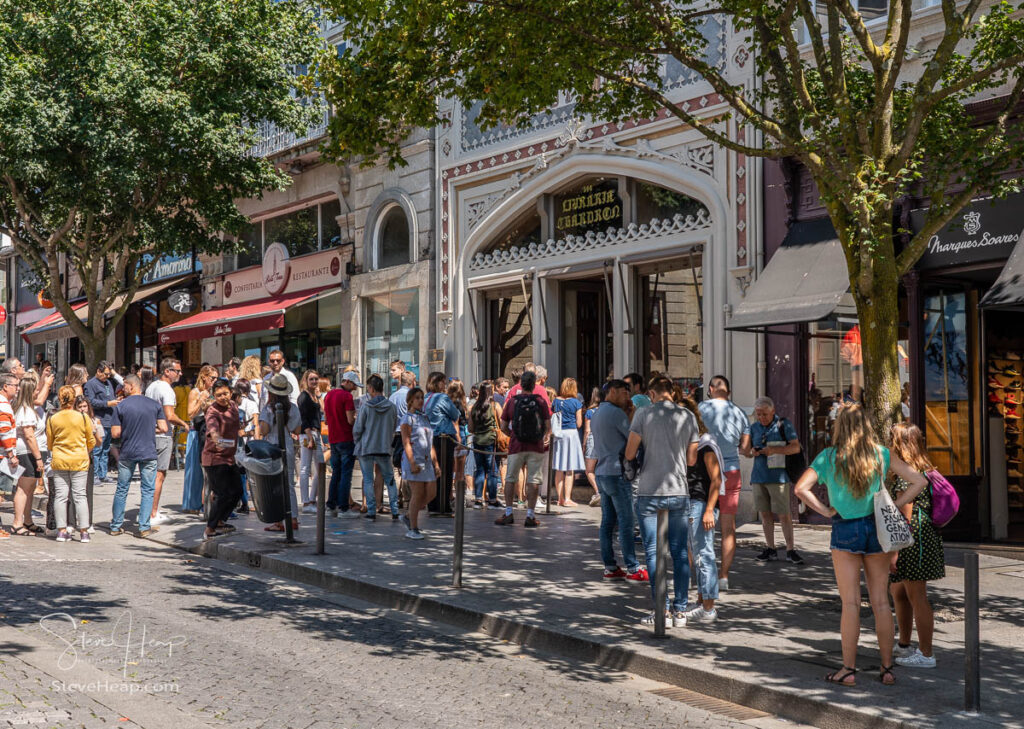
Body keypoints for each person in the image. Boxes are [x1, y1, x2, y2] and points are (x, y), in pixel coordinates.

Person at [794, 404, 928, 686]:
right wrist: (895, 505)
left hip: (845, 528)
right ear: (866, 425)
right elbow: (919, 480)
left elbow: (800, 489)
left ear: (839, 426)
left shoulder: (829, 456)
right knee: (881, 602)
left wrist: (825, 510)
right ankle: (887, 668)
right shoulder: (881, 454)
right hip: (876, 527)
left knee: (851, 604)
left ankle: (849, 670)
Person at [626, 376, 700, 627]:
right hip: (678, 490)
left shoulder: (643, 414)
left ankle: (661, 610)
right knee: (680, 552)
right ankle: (680, 611)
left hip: (649, 489)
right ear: (672, 392)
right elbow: (692, 460)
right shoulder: (688, 416)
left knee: (652, 552)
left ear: (652, 393)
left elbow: (629, 452)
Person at [888, 423, 945, 669]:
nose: (888, 442)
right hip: (922, 536)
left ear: (900, 443)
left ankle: (926, 653)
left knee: (917, 596)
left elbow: (905, 517)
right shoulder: (924, 466)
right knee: (900, 592)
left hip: (913, 539)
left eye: (892, 438)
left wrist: (894, 554)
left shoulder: (905, 473)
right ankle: (904, 644)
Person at [698, 375, 752, 590]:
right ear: (728, 391)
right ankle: (723, 576)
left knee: (704, 525)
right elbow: (746, 449)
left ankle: (705, 573)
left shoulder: (701, 409)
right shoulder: (739, 413)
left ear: (711, 389)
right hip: (731, 470)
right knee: (728, 528)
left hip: (706, 471)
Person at [590, 379, 646, 582]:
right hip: (617, 472)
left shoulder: (597, 413)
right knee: (626, 521)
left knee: (607, 522)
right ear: (612, 391)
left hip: (603, 471)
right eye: (624, 392)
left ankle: (610, 566)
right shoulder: (615, 413)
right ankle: (633, 567)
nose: (627, 397)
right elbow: (633, 436)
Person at [743, 396, 804, 565]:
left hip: (778, 477)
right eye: (758, 414)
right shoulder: (754, 427)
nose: (761, 418)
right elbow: (745, 451)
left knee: (784, 514)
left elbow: (795, 447)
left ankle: (790, 549)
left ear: (773, 411)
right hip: (758, 477)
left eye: (764, 414)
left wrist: (774, 450)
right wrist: (752, 452)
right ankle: (770, 548)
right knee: (764, 514)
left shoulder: (784, 425)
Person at [679, 397, 723, 624]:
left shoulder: (705, 445)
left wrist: (708, 510)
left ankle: (708, 608)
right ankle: (701, 601)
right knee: (696, 555)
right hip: (690, 503)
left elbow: (716, 480)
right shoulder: (690, 444)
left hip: (700, 503)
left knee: (704, 554)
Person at [109, 375, 168, 537]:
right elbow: (163, 428)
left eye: (125, 386)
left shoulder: (121, 406)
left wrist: (128, 429)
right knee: (148, 490)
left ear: (131, 386)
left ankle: (115, 526)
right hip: (148, 452)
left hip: (127, 452)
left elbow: (115, 433)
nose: (123, 389)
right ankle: (143, 527)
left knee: (122, 489)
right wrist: (150, 429)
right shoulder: (154, 405)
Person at [495, 370, 551, 528]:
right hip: (536, 446)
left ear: (521, 383)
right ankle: (530, 515)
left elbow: (503, 425)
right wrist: (544, 436)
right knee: (533, 480)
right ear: (534, 384)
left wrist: (513, 434)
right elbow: (547, 425)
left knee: (510, 479)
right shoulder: (540, 401)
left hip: (516, 445)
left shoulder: (513, 401)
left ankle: (508, 512)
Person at [46, 386, 96, 543]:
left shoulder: (53, 418)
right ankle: (84, 532)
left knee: (61, 496)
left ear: (59, 399)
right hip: (79, 460)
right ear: (74, 399)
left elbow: (49, 443)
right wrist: (84, 450)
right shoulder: (82, 417)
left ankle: (61, 531)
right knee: (80, 495)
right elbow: (91, 440)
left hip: (60, 460)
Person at [146, 358, 189, 525]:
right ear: (167, 371)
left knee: (149, 475)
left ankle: (148, 510)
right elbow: (169, 415)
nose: (180, 374)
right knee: (159, 475)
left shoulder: (151, 387)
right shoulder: (167, 389)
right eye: (177, 371)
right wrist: (184, 424)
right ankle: (153, 513)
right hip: (163, 436)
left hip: (150, 433)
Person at [259, 373, 302, 532]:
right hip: (288, 446)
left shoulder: (269, 408)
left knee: (274, 485)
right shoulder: (294, 408)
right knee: (288, 484)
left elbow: (264, 430)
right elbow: (296, 429)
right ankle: (293, 518)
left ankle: (278, 521)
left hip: (272, 447)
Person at [354, 373, 399, 520]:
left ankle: (371, 510)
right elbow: (393, 427)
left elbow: (358, 428)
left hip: (366, 448)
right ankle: (395, 509)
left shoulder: (366, 407)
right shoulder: (392, 407)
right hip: (384, 448)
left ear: (372, 389)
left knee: (368, 479)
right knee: (389, 479)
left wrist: (358, 441)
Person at [202, 380, 242, 539]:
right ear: (213, 396)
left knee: (237, 491)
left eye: (225, 393)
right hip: (215, 458)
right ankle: (209, 529)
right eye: (218, 395)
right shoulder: (212, 411)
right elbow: (213, 429)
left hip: (230, 457)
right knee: (222, 494)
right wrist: (219, 439)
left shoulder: (233, 406)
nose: (223, 397)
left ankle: (220, 520)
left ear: (230, 392)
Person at [399, 387, 439, 539]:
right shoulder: (407, 419)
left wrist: (436, 464)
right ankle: (413, 528)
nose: (420, 400)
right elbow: (406, 442)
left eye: (422, 397)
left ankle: (409, 515)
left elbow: (430, 443)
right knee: (417, 493)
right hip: (414, 460)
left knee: (431, 493)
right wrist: (412, 462)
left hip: (427, 461)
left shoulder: (424, 418)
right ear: (410, 400)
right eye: (417, 398)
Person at [9, 373, 45, 536]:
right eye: (37, 390)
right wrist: (38, 458)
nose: (38, 392)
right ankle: (17, 522)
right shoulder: (25, 411)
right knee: (23, 488)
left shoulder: (26, 409)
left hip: (30, 452)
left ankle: (27, 520)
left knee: (29, 488)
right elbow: (29, 436)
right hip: (27, 453)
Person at [424, 371, 461, 513]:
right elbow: (455, 414)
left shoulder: (426, 397)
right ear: (437, 382)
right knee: (445, 471)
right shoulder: (442, 398)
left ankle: (432, 503)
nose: (444, 384)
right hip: (444, 437)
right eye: (442, 382)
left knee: (433, 470)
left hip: (430, 437)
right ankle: (443, 504)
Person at [324, 370, 360, 517]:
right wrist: (357, 417)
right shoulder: (347, 396)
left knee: (336, 473)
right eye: (354, 385)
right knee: (346, 474)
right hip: (346, 438)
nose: (355, 388)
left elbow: (326, 419)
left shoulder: (329, 395)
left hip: (333, 439)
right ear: (348, 382)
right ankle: (344, 508)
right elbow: (350, 420)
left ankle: (330, 505)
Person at [183, 365, 217, 514]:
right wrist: (201, 400)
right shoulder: (195, 392)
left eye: (216, 378)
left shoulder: (214, 393)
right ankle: (193, 503)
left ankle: (206, 502)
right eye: (212, 378)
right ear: (204, 377)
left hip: (210, 432)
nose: (215, 381)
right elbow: (190, 414)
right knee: (195, 470)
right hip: (196, 433)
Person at [83, 361, 122, 484]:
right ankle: (94, 475)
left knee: (105, 449)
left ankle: (103, 474)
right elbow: (90, 402)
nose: (107, 376)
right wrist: (107, 404)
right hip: (99, 419)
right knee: (97, 449)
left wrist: (115, 401)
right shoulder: (91, 384)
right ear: (98, 371)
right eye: (105, 374)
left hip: (109, 420)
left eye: (109, 374)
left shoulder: (109, 383)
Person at [551, 378, 586, 507]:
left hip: (559, 434)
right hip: (571, 434)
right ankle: (567, 499)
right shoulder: (576, 403)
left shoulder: (556, 401)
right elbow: (579, 423)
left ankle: (559, 498)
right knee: (569, 469)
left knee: (559, 468)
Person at [468, 382, 502, 509]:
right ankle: (492, 500)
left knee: (480, 470)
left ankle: (478, 499)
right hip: (491, 441)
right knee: (492, 471)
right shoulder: (495, 406)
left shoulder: (474, 407)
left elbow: (470, 428)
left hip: (477, 441)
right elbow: (502, 424)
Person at [297, 370, 325, 514]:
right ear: (306, 381)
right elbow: (302, 417)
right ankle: (306, 502)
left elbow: (324, 409)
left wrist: (319, 395)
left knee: (320, 467)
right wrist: (309, 435)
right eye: (311, 379)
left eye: (316, 379)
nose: (314, 381)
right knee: (305, 468)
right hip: (307, 433)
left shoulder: (315, 396)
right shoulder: (303, 397)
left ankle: (313, 499)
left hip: (316, 433)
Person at [581, 386, 602, 507]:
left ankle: (598, 492)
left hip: (592, 439)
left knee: (589, 470)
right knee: (600, 468)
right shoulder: (606, 410)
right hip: (604, 439)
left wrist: (584, 444)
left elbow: (587, 430)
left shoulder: (590, 412)